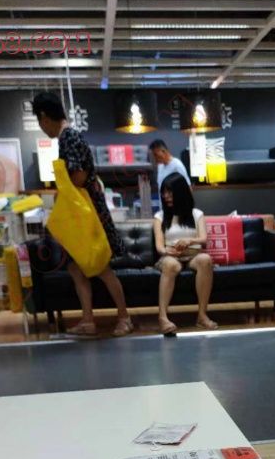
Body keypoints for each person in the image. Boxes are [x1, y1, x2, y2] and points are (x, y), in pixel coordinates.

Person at [33, 91, 132, 339]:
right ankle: (88, 320)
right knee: (76, 268)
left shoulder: (69, 137)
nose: (42, 128)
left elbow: (77, 177)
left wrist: (62, 195)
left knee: (101, 266)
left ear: (44, 117)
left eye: (40, 122)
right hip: (82, 213)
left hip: (87, 214)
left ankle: (124, 317)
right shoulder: (68, 137)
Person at [153, 172, 216, 336]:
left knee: (206, 259)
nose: (166, 196)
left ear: (181, 192)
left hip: (192, 255)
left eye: (170, 192)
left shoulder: (196, 214)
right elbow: (159, 246)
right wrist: (167, 251)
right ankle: (162, 317)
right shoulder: (160, 216)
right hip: (169, 256)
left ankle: (202, 316)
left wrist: (189, 241)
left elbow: (204, 239)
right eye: (164, 192)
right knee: (171, 265)